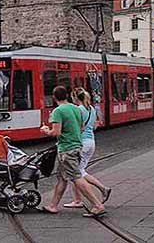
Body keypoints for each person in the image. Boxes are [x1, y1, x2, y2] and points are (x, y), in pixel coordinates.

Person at [39, 86, 106, 217]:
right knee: (62, 178)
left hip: (66, 149)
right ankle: (53, 205)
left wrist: (46, 130)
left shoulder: (58, 111)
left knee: (76, 177)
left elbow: (56, 132)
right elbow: (82, 128)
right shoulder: (76, 108)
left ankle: (97, 205)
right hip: (77, 146)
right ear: (67, 96)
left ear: (54, 97)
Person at [63, 88, 111, 209]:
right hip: (91, 142)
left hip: (81, 143)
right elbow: (94, 126)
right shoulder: (91, 109)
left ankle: (102, 188)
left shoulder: (79, 109)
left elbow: (79, 127)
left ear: (75, 98)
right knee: (77, 171)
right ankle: (77, 200)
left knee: (78, 173)